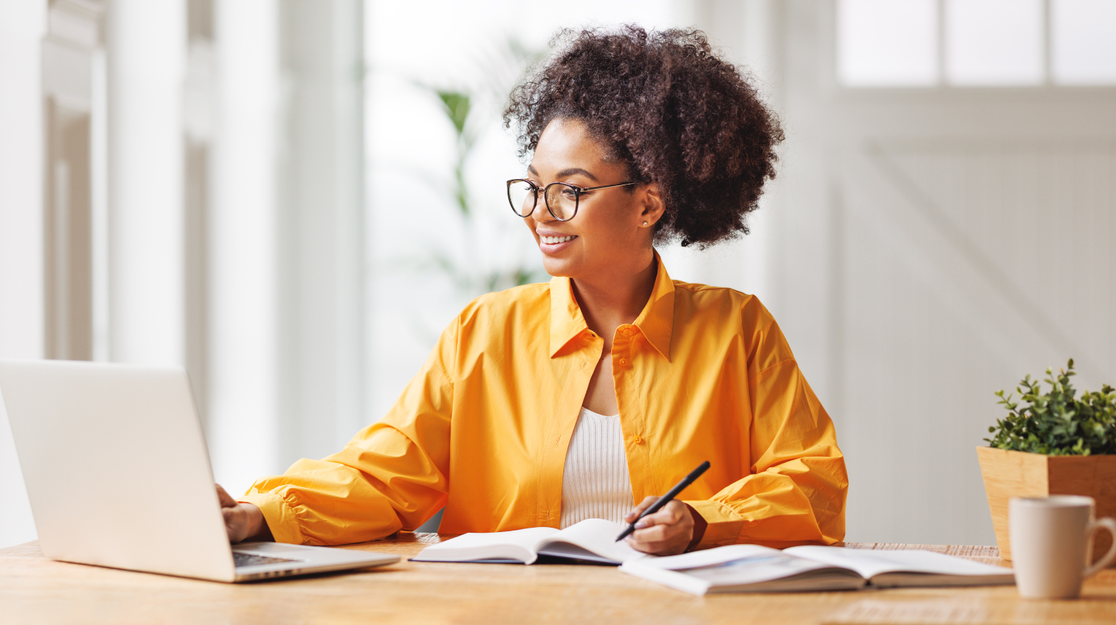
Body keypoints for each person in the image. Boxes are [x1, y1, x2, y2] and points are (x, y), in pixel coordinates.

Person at [217, 25, 847, 556]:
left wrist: (705, 522)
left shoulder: (738, 330)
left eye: (570, 190)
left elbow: (812, 482)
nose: (540, 212)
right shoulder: (484, 333)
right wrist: (259, 513)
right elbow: (384, 475)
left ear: (648, 203)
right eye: (533, 186)